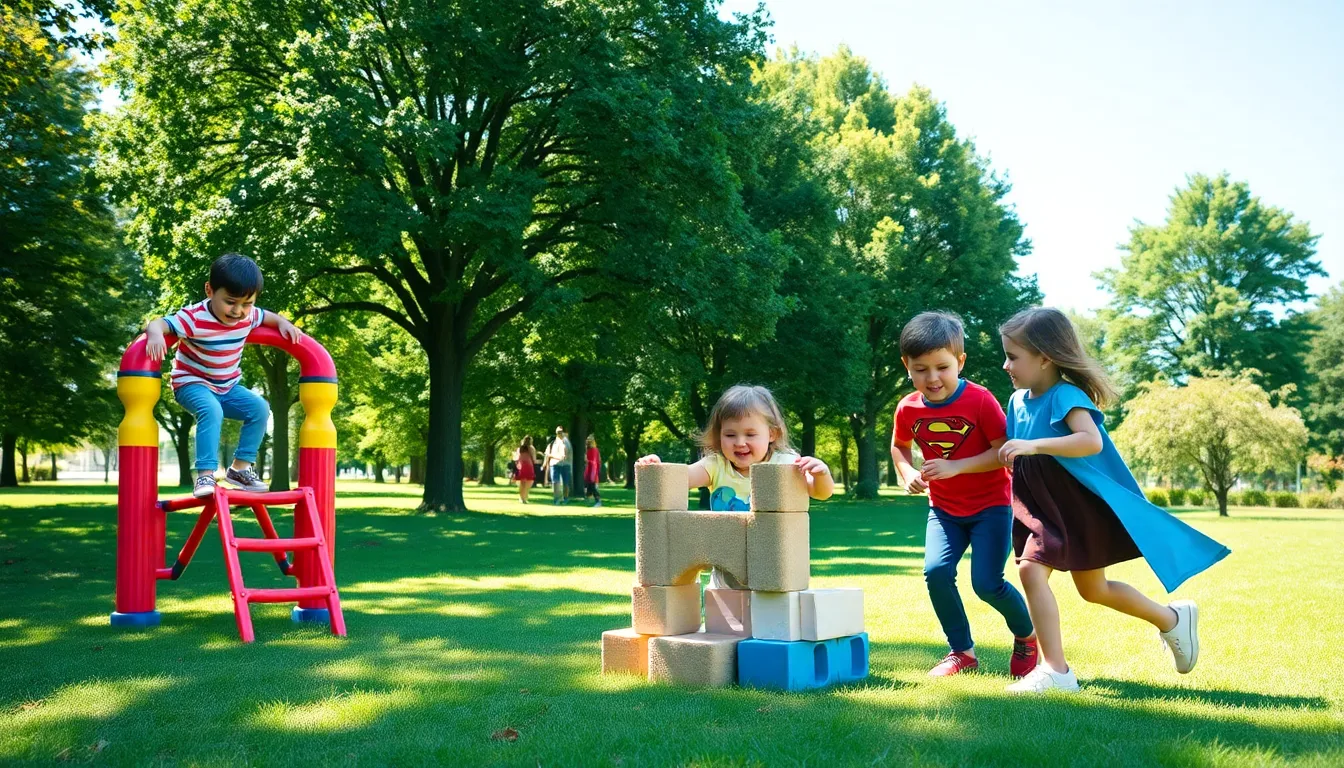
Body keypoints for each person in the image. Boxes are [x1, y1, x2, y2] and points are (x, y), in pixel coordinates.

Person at [998, 307, 1230, 694]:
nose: (1006, 364)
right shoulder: (1018, 401)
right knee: (1048, 576)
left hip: (1073, 505)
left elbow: (1091, 441)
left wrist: (1035, 445)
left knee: (1084, 587)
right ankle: (1171, 620)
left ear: (1044, 357)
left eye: (1013, 356)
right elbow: (1011, 449)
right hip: (1037, 505)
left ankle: (1058, 672)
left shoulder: (1065, 396)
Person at [891, 312, 1038, 679]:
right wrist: (907, 472)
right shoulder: (908, 407)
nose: (933, 378)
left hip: (991, 507)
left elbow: (1003, 451)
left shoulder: (980, 400)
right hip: (943, 509)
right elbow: (899, 446)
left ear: (960, 362)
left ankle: (1027, 636)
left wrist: (956, 466)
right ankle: (962, 652)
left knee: (987, 584)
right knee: (936, 572)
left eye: (942, 367)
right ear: (906, 366)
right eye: (921, 369)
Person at [637, 385, 835, 588]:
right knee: (722, 614)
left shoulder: (784, 464)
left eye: (750, 434)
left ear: (772, 434)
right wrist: (657, 469)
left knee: (767, 614)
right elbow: (679, 479)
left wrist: (822, 475)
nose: (740, 442)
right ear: (719, 434)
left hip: (772, 565)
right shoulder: (716, 466)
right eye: (730, 435)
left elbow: (819, 492)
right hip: (726, 567)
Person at [144, 253, 303, 498]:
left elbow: (265, 316)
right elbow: (158, 324)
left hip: (227, 386)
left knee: (260, 408)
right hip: (191, 383)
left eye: (246, 303)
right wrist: (155, 335)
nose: (238, 311)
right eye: (230, 302)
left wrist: (282, 323)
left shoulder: (249, 315)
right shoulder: (194, 318)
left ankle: (239, 469)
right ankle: (205, 475)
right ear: (209, 290)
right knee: (211, 410)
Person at [543, 426, 573, 505]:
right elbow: (547, 453)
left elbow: (565, 454)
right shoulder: (553, 441)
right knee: (555, 482)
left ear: (564, 432)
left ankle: (565, 498)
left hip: (565, 464)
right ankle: (557, 499)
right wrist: (545, 463)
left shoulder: (566, 442)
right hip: (555, 465)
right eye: (558, 432)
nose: (559, 433)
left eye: (561, 432)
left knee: (566, 483)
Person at [513, 436, 536, 503]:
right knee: (528, 483)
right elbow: (534, 459)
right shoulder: (531, 448)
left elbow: (516, 458)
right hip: (529, 466)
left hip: (521, 466)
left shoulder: (520, 448)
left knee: (522, 483)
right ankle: (525, 498)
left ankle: (521, 498)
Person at [584, 435, 602, 507]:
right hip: (589, 471)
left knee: (594, 487)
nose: (588, 442)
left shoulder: (594, 450)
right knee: (589, 487)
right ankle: (590, 500)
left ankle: (598, 501)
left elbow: (594, 462)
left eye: (589, 441)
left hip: (593, 471)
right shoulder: (589, 450)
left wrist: (587, 460)